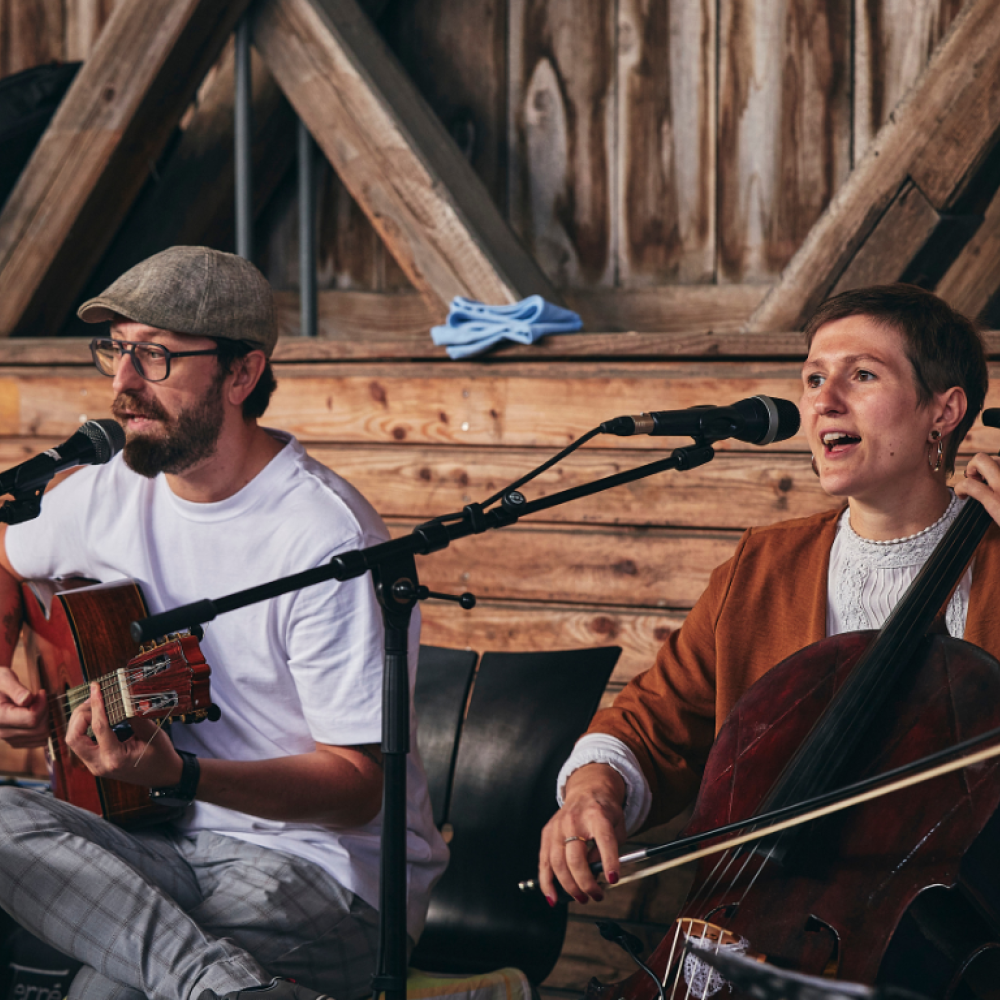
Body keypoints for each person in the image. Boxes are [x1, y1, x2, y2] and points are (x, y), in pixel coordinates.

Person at [0, 246, 448, 1000]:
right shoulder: (108, 490)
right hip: (162, 836)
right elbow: (6, 557)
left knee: (108, 992)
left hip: (326, 872)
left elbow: (357, 788)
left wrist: (182, 775)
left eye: (155, 356)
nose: (122, 383)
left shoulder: (326, 538)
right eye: (115, 349)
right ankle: (221, 985)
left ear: (241, 374)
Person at [538, 283, 1000, 907]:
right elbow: (653, 726)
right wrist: (593, 791)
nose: (824, 401)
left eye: (863, 375)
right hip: (765, 918)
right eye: (814, 379)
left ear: (944, 412)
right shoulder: (762, 567)